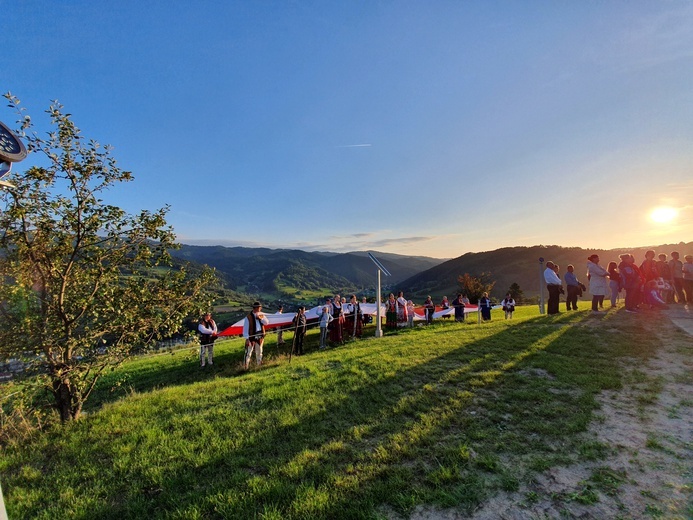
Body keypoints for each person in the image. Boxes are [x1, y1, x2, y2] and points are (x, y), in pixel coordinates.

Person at [242, 302, 269, 369]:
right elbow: (245, 330)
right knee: (248, 353)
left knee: (259, 351)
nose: (260, 309)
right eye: (260, 307)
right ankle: (246, 367)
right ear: (256, 308)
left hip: (260, 336)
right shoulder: (248, 317)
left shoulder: (262, 315)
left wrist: (260, 318)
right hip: (251, 337)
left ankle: (259, 365)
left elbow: (266, 323)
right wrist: (247, 339)